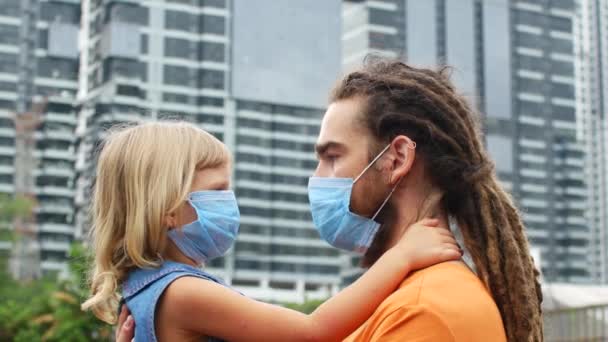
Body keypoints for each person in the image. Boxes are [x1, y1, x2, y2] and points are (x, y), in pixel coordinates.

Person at [115, 57, 544, 341]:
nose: (316, 180)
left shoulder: (424, 313)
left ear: (396, 158)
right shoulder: (399, 300)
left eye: (331, 157)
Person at [82, 121, 461, 341]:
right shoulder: (184, 293)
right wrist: (402, 257)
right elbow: (312, 331)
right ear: (166, 209)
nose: (229, 201)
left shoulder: (148, 289)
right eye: (216, 191)